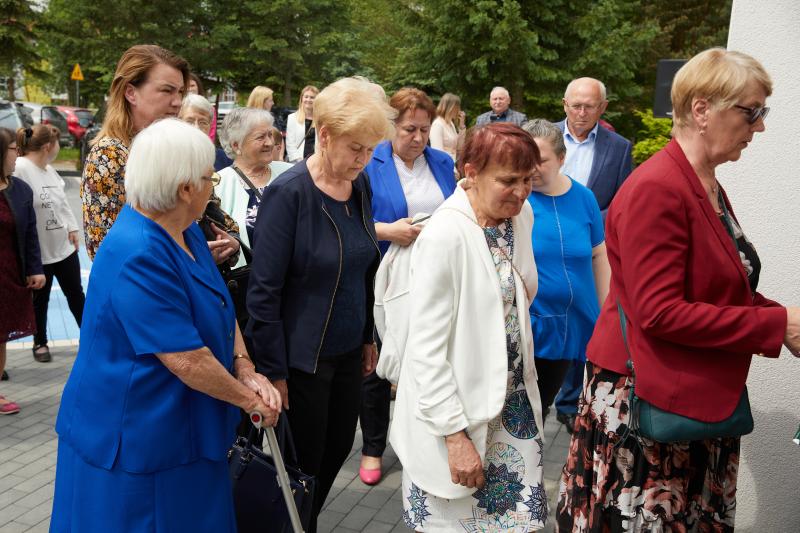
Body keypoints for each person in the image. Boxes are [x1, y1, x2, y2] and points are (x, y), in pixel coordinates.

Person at [556, 48, 800, 532]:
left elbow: (720, 285)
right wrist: (776, 325)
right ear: (702, 109)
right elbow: (660, 311)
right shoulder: (659, 188)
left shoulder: (703, 183)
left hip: (684, 398)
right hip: (645, 404)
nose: (759, 127)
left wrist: (784, 320)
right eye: (751, 112)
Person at [50, 118, 281, 532]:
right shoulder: (138, 251)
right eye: (209, 178)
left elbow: (219, 303)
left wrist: (244, 365)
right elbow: (186, 359)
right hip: (139, 439)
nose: (212, 187)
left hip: (181, 425)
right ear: (185, 188)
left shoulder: (186, 231)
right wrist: (249, 401)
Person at [246, 77, 394, 532]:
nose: (363, 159)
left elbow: (362, 265)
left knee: (335, 451)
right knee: (302, 466)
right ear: (324, 134)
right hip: (301, 360)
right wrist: (273, 372)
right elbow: (263, 291)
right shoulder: (289, 193)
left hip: (348, 351)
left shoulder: (359, 184)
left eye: (370, 149)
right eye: (356, 148)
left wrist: (368, 336)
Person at [392, 123, 547, 531]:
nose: (521, 192)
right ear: (471, 173)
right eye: (509, 181)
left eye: (528, 180)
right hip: (454, 415)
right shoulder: (444, 235)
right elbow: (425, 351)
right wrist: (454, 436)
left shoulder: (521, 216)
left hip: (511, 407)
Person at [360, 87, 457, 485]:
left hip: (435, 275)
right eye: (409, 129)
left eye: (424, 129)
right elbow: (351, 221)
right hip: (385, 275)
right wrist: (387, 230)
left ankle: (423, 438)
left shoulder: (442, 162)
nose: (418, 138)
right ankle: (372, 446)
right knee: (380, 360)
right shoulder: (371, 162)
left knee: (429, 356)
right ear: (391, 127)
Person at [552, 77, 633, 432]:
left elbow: (622, 200)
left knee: (584, 318)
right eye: (576, 105)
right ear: (564, 105)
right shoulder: (543, 137)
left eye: (590, 106)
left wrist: (586, 220)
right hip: (543, 243)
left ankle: (570, 400)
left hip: (591, 247)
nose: (582, 113)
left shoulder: (619, 147)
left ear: (603, 108)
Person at [521, 119, 610, 424]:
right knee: (524, 409)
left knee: (542, 406)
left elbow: (598, 254)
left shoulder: (584, 197)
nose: (532, 167)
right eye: (527, 158)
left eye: (541, 160)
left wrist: (606, 312)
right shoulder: (517, 200)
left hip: (574, 323)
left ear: (561, 158)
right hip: (532, 326)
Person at [82, 44, 188, 260]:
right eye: (167, 90)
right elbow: (104, 251)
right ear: (131, 93)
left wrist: (228, 241)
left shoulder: (179, 150)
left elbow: (213, 212)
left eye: (180, 92)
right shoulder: (109, 155)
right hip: (151, 281)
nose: (178, 102)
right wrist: (186, 255)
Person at [14, 125, 85, 364]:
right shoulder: (21, 168)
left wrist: (72, 227)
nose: (59, 148)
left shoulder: (49, 170)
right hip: (39, 252)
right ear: (47, 146)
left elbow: (62, 203)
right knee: (39, 300)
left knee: (75, 293)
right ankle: (40, 342)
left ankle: (90, 336)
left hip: (63, 247)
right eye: (58, 144)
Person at [0, 128, 45, 412]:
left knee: (0, 338)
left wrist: (35, 269)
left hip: (9, 278)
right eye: (13, 149)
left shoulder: (20, 190)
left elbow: (30, 235)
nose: (18, 154)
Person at [215, 107, 292, 268]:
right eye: (260, 137)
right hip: (248, 278)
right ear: (236, 145)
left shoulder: (290, 173)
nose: (270, 142)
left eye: (270, 134)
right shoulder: (218, 184)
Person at [178, 94, 242, 268]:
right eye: (189, 121)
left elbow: (215, 210)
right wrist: (196, 253)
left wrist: (233, 242)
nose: (196, 128)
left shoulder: (204, 161)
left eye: (203, 122)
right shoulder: (169, 164)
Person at [285, 85, 319, 162]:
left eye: (312, 97)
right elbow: (290, 143)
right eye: (306, 97)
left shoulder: (320, 119)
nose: (308, 99)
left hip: (316, 161)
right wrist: (299, 161)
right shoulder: (292, 118)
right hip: (297, 161)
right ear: (302, 98)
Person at [429, 92, 466, 161]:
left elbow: (459, 147)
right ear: (449, 108)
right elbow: (437, 153)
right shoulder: (437, 124)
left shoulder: (450, 124)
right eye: (456, 107)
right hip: (444, 164)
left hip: (453, 163)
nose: (458, 110)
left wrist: (462, 126)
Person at [187, 72, 217, 141]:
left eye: (192, 86)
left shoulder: (209, 108)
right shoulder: (178, 107)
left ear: (198, 87)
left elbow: (211, 133)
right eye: (187, 86)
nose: (190, 89)